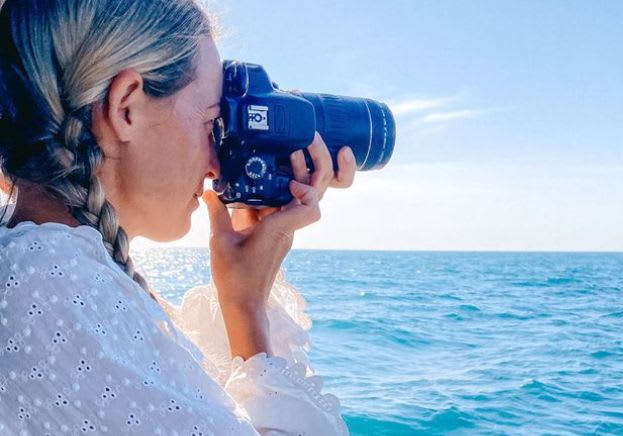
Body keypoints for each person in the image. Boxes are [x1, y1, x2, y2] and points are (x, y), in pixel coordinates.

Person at [0, 0, 356, 434]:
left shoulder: (47, 270)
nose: (215, 164)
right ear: (126, 107)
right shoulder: (59, 293)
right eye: (211, 124)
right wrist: (246, 310)